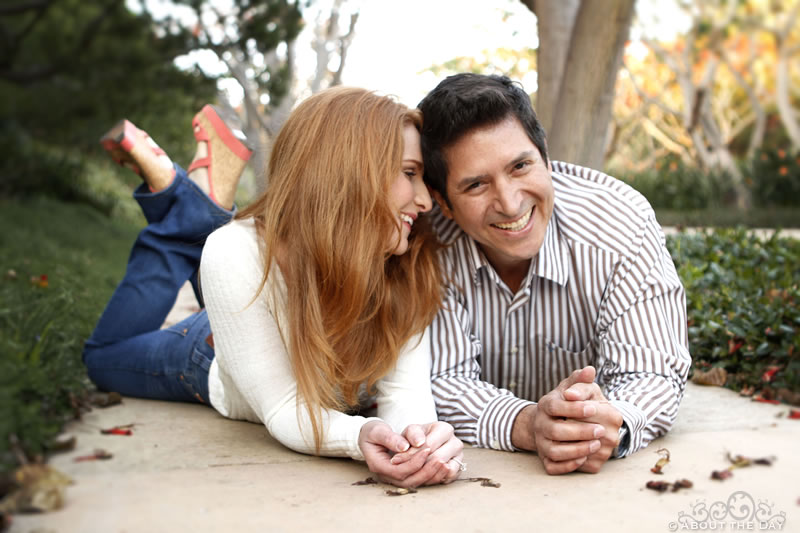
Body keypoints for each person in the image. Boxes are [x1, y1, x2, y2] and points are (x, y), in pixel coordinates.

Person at [84, 87, 464, 487]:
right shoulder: (235, 251)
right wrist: (357, 436)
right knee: (102, 358)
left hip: (257, 298)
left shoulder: (408, 262)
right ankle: (182, 220)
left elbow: (406, 392)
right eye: (409, 173)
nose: (425, 201)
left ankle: (198, 202)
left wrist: (419, 443)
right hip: (210, 352)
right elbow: (283, 405)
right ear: (348, 171)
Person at [417, 73, 691, 475]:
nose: (510, 204)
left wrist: (605, 423)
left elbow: (651, 371)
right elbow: (438, 380)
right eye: (476, 185)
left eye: (521, 166)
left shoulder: (620, 224)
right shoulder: (427, 244)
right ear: (442, 201)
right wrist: (527, 424)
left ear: (545, 154)